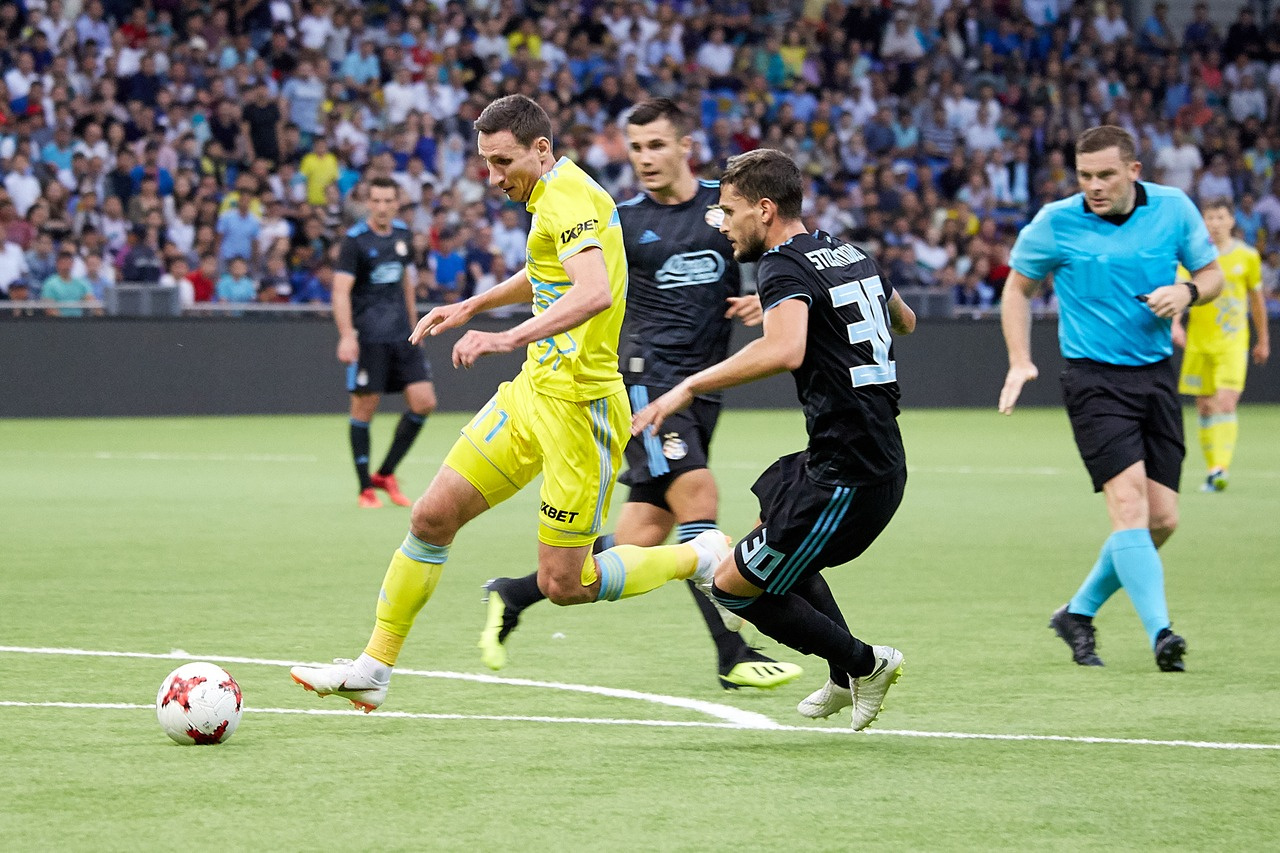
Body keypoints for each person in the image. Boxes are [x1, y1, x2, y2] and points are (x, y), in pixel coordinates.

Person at [290, 95, 733, 712]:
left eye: (502, 162)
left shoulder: (567, 197)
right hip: (531, 396)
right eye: (486, 162)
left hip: (581, 411)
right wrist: (473, 305)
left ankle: (698, 556)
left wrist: (505, 336)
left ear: (540, 150)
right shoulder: (550, 195)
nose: (493, 176)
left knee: (565, 583)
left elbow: (595, 292)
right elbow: (547, 271)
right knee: (431, 517)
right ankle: (373, 667)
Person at [478, 98, 803, 691]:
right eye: (636, 147)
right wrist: (479, 306)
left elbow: (781, 244)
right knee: (698, 500)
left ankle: (516, 593)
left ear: (685, 146)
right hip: (646, 382)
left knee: (641, 536)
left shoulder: (724, 206)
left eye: (657, 145)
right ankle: (732, 653)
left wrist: (770, 295)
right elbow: (552, 272)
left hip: (701, 389)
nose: (645, 158)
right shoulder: (621, 217)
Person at [632, 148, 918, 730]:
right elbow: (905, 321)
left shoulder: (781, 266)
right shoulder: (848, 252)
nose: (721, 223)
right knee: (773, 517)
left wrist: (689, 385)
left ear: (764, 210)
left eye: (728, 210)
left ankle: (864, 664)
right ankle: (843, 673)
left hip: (850, 470)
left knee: (731, 588)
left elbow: (785, 349)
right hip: (849, 452)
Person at [998, 125, 1224, 673]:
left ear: (1133, 171)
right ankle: (1162, 635)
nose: (1094, 186)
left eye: (1105, 175)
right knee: (1128, 507)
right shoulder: (1055, 222)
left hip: (1155, 376)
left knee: (1162, 520)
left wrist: (1187, 291)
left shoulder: (1173, 208)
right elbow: (1018, 288)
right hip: (1093, 380)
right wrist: (1020, 359)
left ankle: (1077, 613)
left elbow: (1213, 275)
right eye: (1084, 176)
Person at [332, 175, 437, 508]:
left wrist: (415, 325)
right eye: (375, 201)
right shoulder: (355, 242)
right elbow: (340, 291)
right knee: (365, 408)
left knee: (424, 402)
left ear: (397, 203)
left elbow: (406, 283)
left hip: (401, 335)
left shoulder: (403, 236)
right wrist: (347, 335)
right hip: (369, 338)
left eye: (387, 201)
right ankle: (365, 488)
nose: (381, 207)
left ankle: (385, 473)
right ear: (368, 203)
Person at [1172, 199, 1271, 492]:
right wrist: (1175, 323)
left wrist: (1263, 339)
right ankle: (1212, 468)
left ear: (1231, 220)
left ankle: (1220, 469)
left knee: (1225, 403)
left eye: (1220, 217)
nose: (1215, 223)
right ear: (1203, 222)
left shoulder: (1247, 256)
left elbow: (1257, 302)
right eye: (1210, 218)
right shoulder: (1193, 256)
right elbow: (1180, 291)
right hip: (1199, 343)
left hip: (1233, 343)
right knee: (1204, 407)